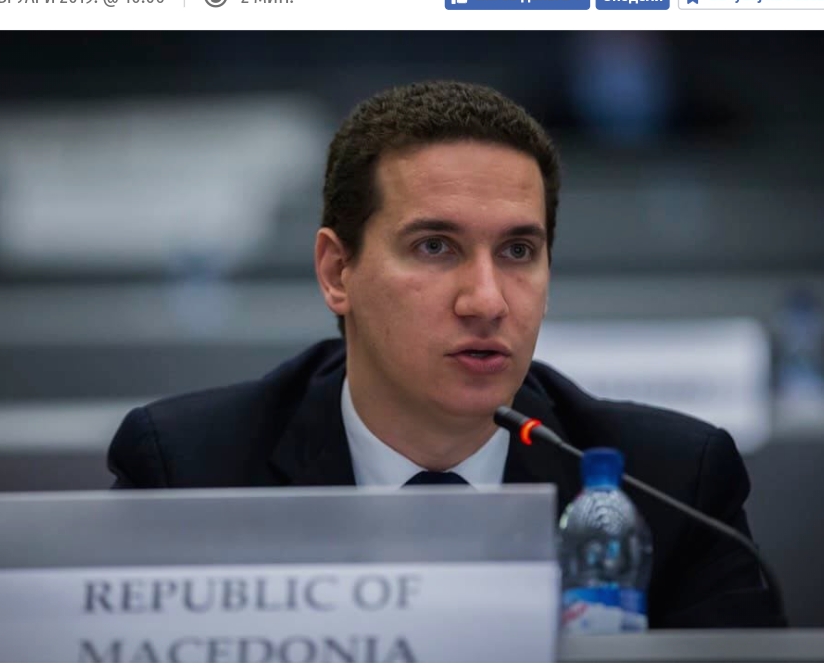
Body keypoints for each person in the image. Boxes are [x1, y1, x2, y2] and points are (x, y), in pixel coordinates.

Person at [107, 80, 786, 629]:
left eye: (518, 251)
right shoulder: (189, 475)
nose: (486, 300)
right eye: (435, 247)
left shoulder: (671, 487)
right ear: (338, 272)